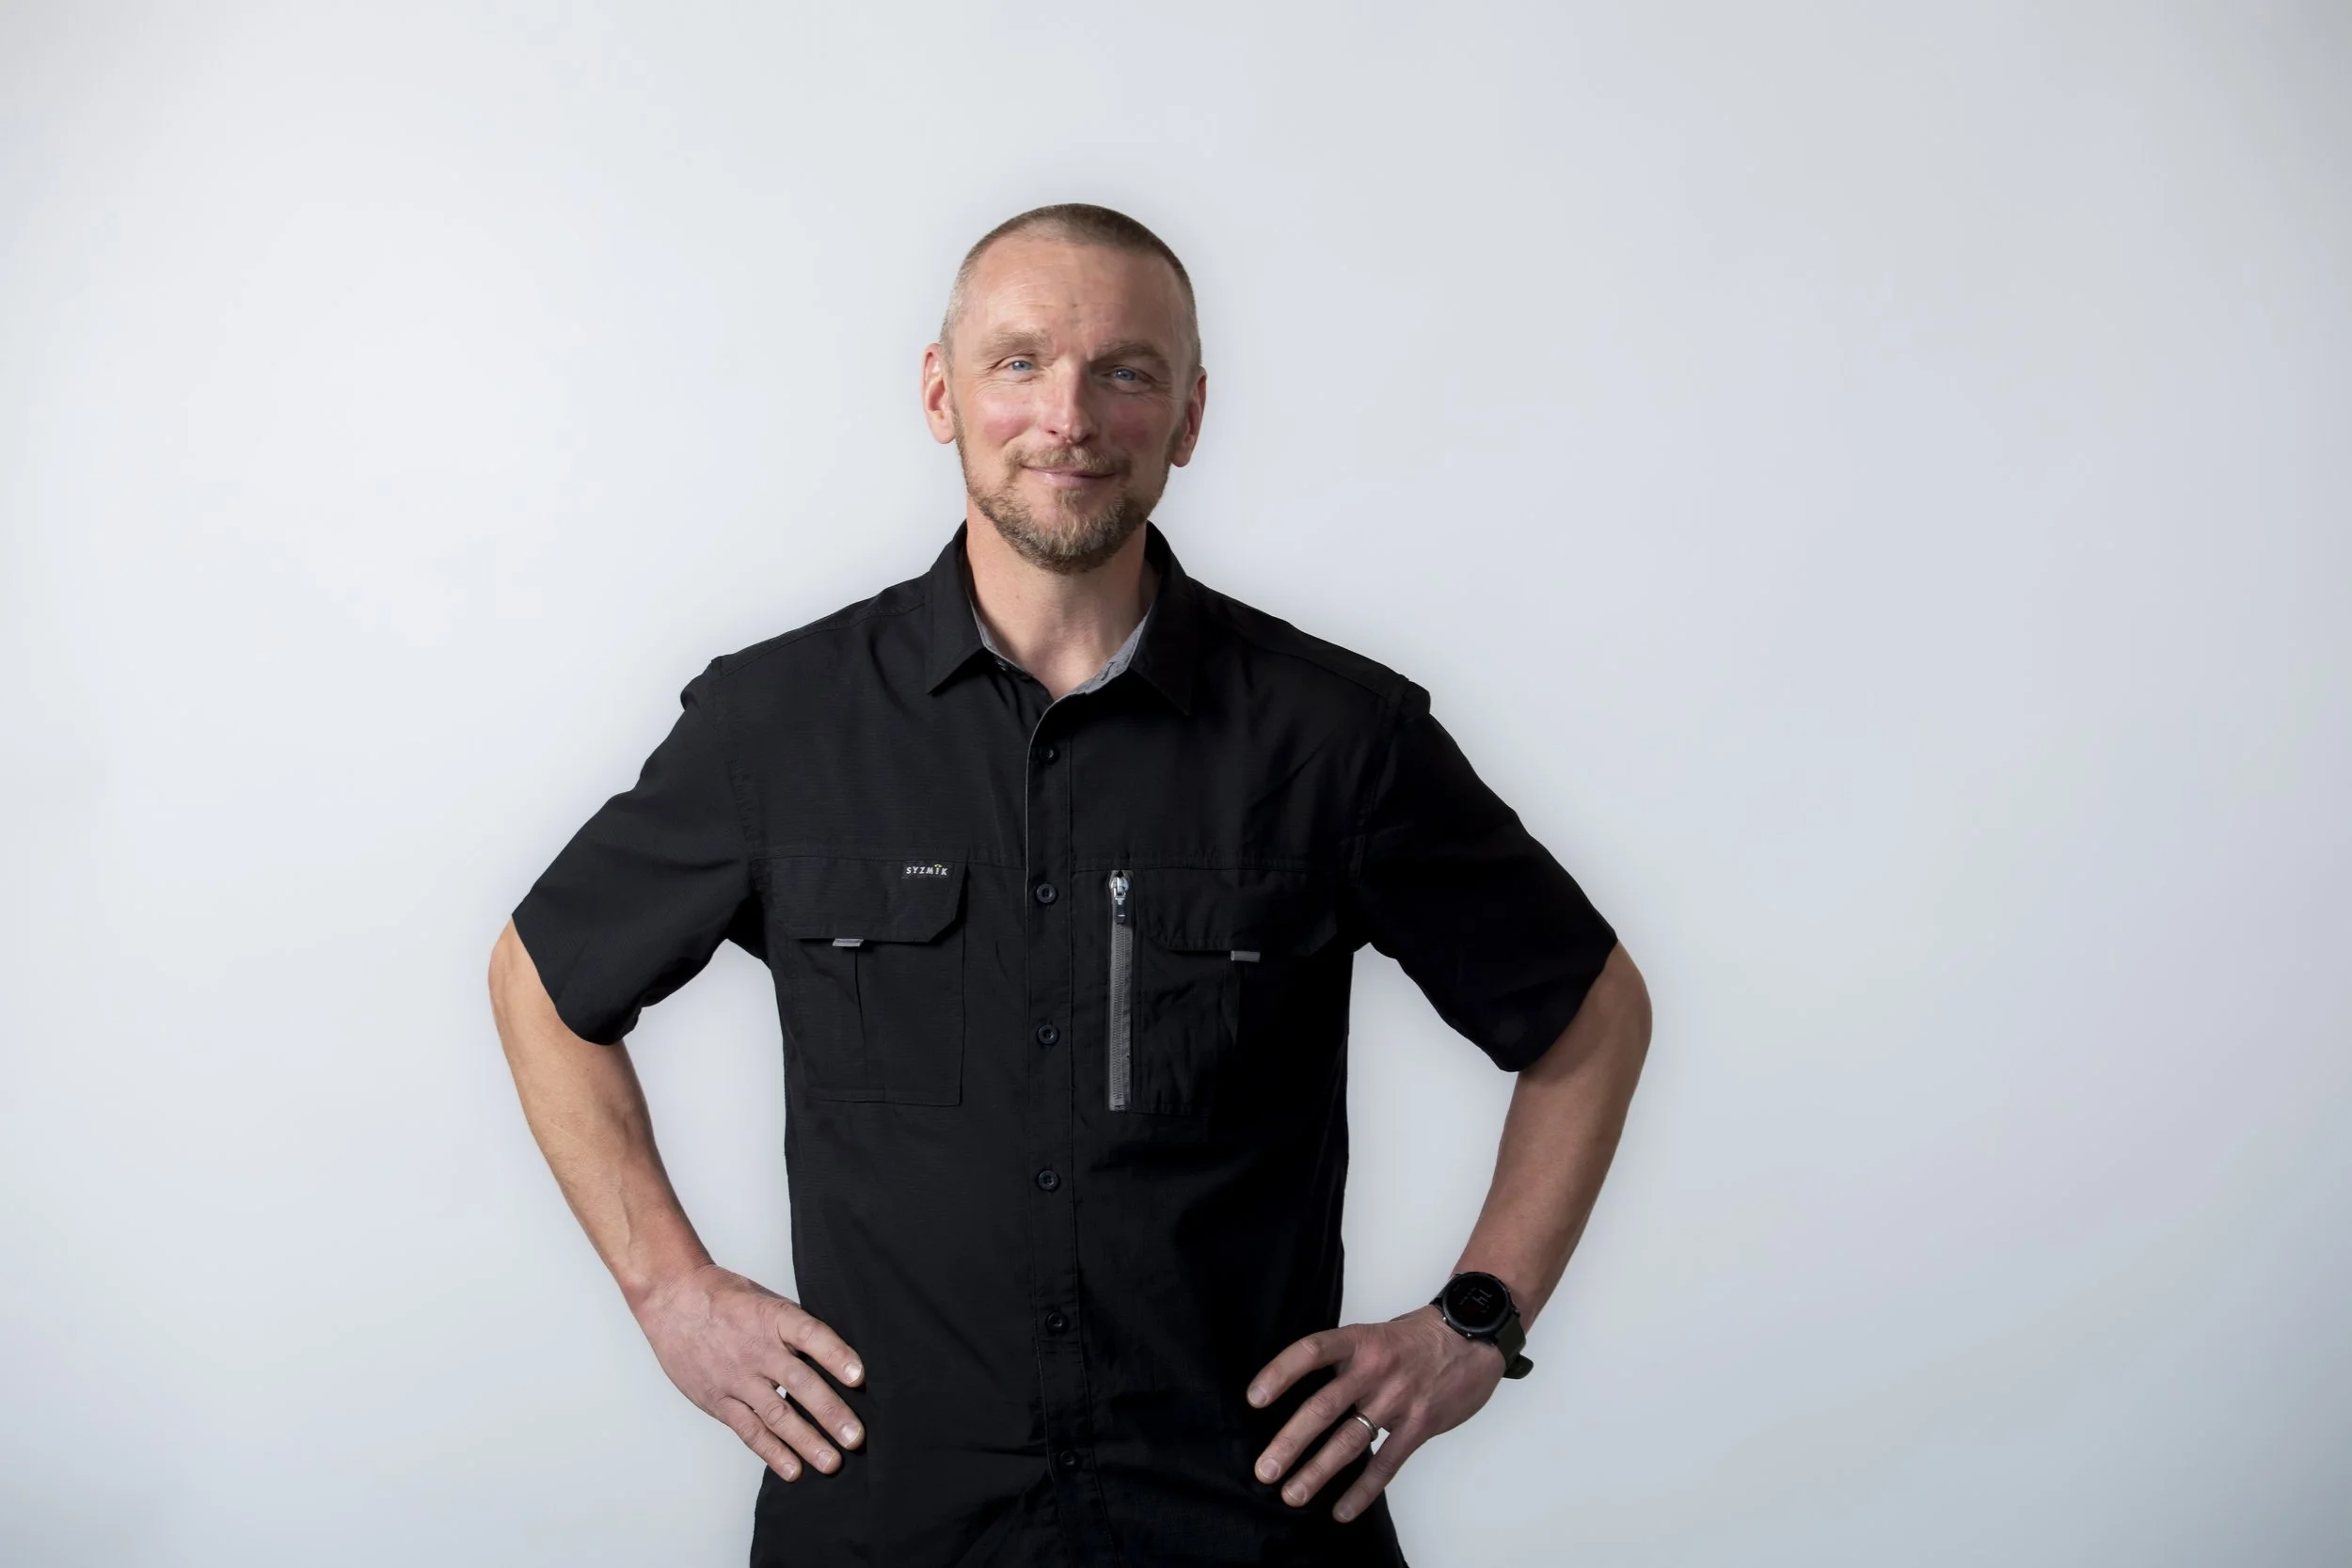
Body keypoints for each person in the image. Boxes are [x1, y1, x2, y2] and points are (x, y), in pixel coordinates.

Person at [487, 202, 1653, 1567]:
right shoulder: (780, 726)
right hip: (891, 1525)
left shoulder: (1335, 737)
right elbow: (545, 977)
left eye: (1127, 370)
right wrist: (668, 1289)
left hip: (1244, 1528)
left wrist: (1476, 1324)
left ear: (1191, 413)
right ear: (943, 393)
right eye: (1020, 362)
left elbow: (1588, 1014)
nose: (1070, 416)